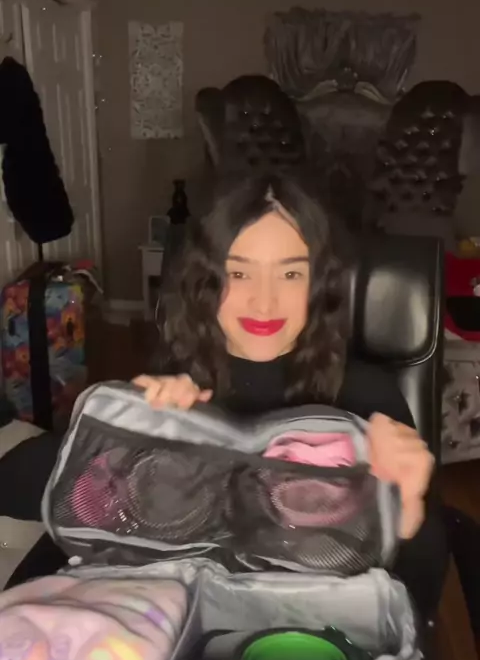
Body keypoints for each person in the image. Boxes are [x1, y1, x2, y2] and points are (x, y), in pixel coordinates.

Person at [133, 172, 446, 622]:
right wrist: (132, 436)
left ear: (318, 284)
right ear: (205, 280)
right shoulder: (174, 391)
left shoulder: (367, 399)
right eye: (238, 272)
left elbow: (419, 602)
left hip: (317, 633)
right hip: (192, 626)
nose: (264, 303)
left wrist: (409, 509)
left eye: (291, 273)